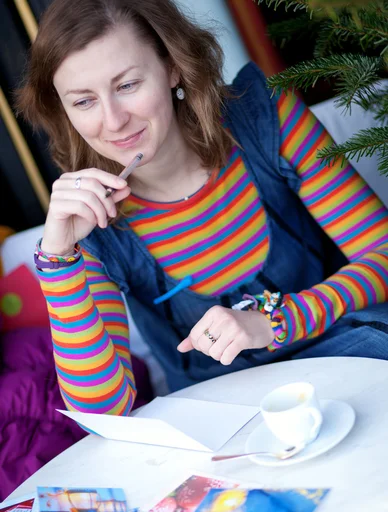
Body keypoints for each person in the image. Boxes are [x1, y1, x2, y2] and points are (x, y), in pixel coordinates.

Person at [16, 0, 388, 415]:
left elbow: (382, 256)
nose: (114, 120)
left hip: (344, 358)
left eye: (127, 85)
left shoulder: (264, 116)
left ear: (173, 66)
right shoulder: (85, 223)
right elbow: (101, 410)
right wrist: (57, 261)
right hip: (225, 415)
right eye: (83, 101)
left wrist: (276, 321)